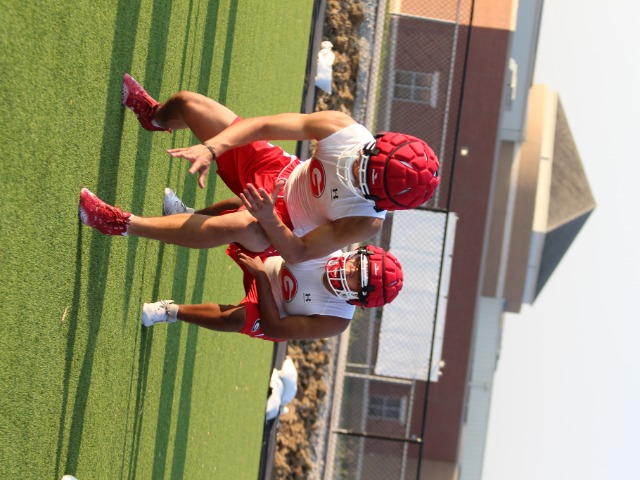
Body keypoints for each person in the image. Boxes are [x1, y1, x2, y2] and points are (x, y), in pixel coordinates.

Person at [78, 74, 440, 264]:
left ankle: (120, 224)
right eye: (365, 161)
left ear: (381, 202)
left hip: (281, 225)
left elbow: (298, 253)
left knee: (238, 224)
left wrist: (269, 217)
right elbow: (263, 126)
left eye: (364, 181)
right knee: (189, 104)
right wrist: (212, 147)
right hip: (276, 169)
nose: (355, 169)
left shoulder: (367, 222)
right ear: (378, 141)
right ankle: (153, 117)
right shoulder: (344, 129)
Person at [141, 244, 404, 341]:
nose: (350, 269)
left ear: (358, 298)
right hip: (268, 260)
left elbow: (274, 327)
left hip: (272, 310)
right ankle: (188, 214)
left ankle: (170, 311)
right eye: (358, 263)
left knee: (237, 318)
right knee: (246, 221)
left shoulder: (336, 320)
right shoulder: (330, 247)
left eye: (358, 278)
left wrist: (262, 279)